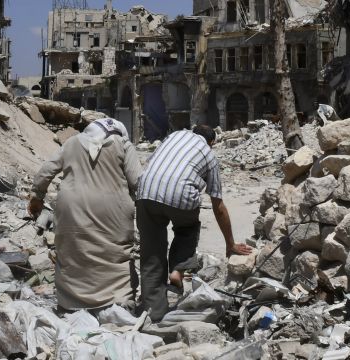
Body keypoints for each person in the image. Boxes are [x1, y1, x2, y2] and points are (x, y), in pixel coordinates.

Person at [135, 125, 255, 322]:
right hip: (180, 196)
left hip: (146, 191)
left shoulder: (174, 135)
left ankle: (153, 313)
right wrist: (230, 243)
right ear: (211, 142)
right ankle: (178, 269)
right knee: (187, 229)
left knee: (151, 255)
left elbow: (151, 164)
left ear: (193, 132)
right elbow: (218, 205)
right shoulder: (208, 154)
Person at [29, 118, 143, 311]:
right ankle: (118, 300)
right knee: (114, 253)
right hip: (113, 208)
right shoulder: (123, 144)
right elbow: (138, 182)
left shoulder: (71, 142)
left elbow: (46, 170)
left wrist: (36, 197)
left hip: (71, 206)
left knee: (73, 250)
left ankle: (71, 303)